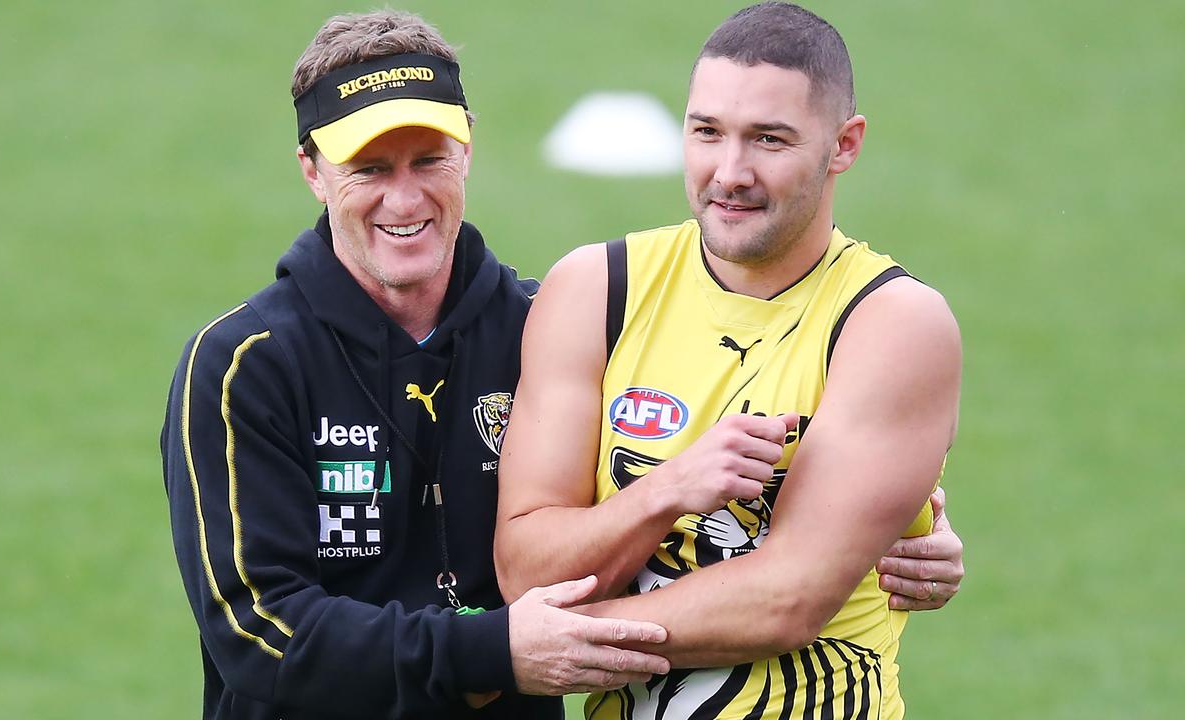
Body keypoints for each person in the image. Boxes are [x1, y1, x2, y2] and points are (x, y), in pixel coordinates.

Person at [161, 8, 962, 720]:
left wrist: (885, 539)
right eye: (369, 169)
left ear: (467, 145)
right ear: (312, 169)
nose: (403, 200)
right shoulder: (243, 364)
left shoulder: (539, 323)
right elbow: (257, 630)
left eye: (428, 160)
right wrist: (497, 654)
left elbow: (685, 540)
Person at [494, 3, 963, 719]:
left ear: (844, 145)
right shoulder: (596, 289)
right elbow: (527, 571)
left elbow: (785, 600)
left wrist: (543, 641)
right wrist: (665, 491)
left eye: (769, 140)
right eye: (707, 132)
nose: (730, 172)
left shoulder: (890, 323)